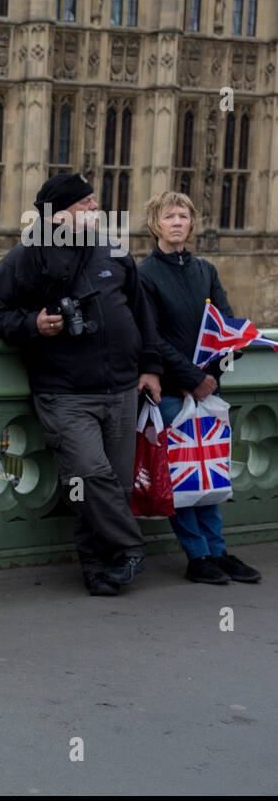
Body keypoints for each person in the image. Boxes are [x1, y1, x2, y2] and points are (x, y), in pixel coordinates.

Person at [0, 173, 162, 595]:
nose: (95, 210)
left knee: (108, 486)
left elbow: (141, 314)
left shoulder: (112, 249)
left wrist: (150, 366)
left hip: (121, 390)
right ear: (58, 214)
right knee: (88, 475)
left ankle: (102, 568)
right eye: (86, 204)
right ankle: (132, 547)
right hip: (65, 392)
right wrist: (34, 324)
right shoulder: (25, 257)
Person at [137, 191, 260, 585]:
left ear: (192, 224)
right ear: (156, 223)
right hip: (173, 392)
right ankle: (198, 556)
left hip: (207, 389)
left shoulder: (205, 270)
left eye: (184, 216)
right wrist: (193, 379)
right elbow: (152, 339)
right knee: (184, 479)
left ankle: (218, 551)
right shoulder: (144, 274)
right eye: (169, 216)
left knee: (211, 477)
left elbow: (228, 329)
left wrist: (213, 376)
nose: (177, 222)